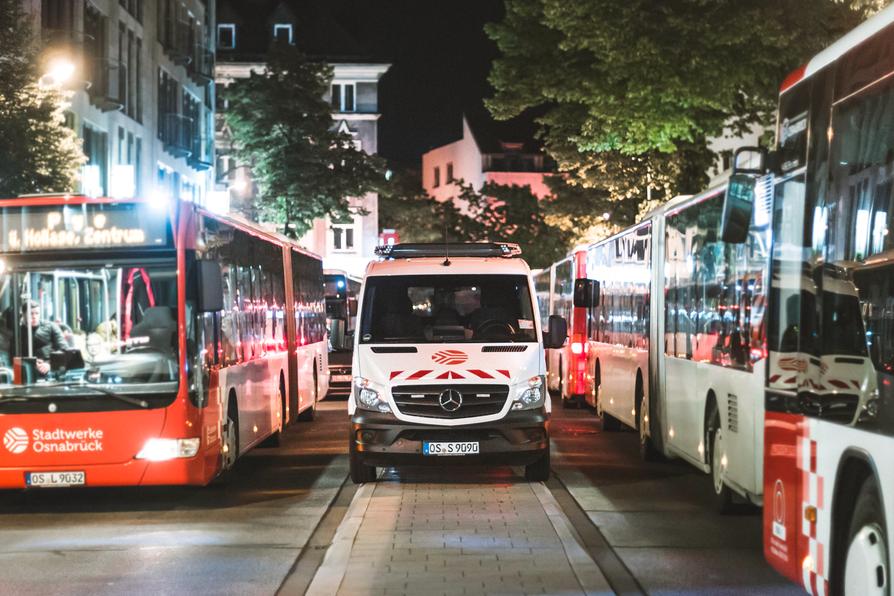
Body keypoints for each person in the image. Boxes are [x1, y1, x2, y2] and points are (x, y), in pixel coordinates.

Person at [21, 300, 68, 376]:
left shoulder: (50, 327)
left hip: (50, 369)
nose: (34, 316)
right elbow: (13, 354)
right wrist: (29, 362)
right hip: (26, 370)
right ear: (24, 315)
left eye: (37, 313)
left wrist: (50, 364)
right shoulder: (18, 331)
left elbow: (64, 350)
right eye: (31, 314)